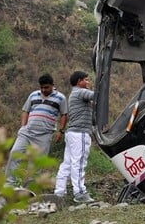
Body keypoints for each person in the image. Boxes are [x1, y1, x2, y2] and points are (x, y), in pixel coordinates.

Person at [5, 73, 68, 187]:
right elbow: (25, 110)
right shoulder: (33, 95)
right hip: (27, 132)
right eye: (42, 87)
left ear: (53, 85)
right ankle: (9, 184)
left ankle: (28, 189)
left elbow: (64, 114)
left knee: (35, 163)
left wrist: (60, 131)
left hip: (44, 135)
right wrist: (23, 126)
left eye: (46, 87)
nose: (44, 90)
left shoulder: (60, 98)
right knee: (14, 154)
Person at [54, 71, 95, 203]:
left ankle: (59, 192)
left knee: (67, 163)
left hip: (72, 133)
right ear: (79, 81)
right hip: (80, 133)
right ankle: (80, 193)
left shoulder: (74, 94)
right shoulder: (80, 92)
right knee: (79, 162)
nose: (88, 83)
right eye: (86, 80)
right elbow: (97, 96)